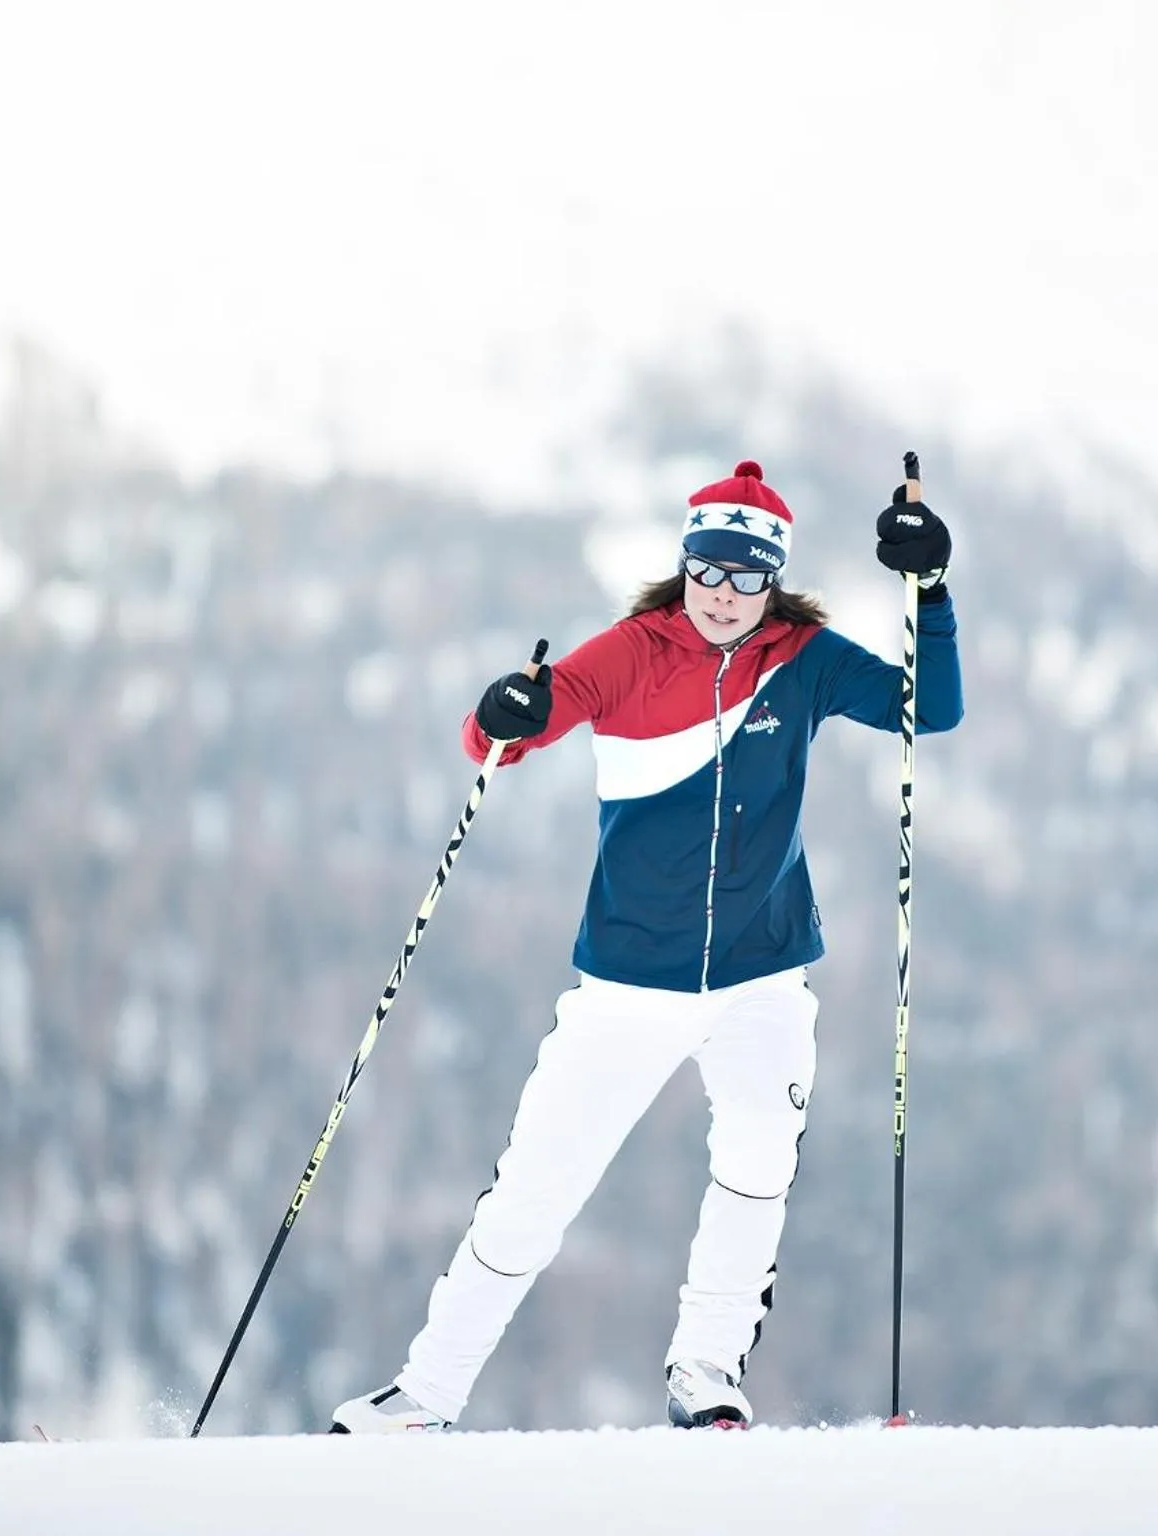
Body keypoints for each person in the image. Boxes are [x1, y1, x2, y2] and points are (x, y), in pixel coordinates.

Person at [330, 459, 963, 1432]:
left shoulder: (805, 658)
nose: (722, 595)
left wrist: (929, 589)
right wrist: (501, 711)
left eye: (745, 577)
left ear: (772, 582)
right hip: (628, 981)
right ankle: (426, 1391)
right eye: (707, 570)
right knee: (536, 1185)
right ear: (684, 566)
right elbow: (511, 729)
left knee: (756, 1168)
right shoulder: (631, 652)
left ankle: (705, 1372)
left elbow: (928, 708)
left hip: (764, 973)